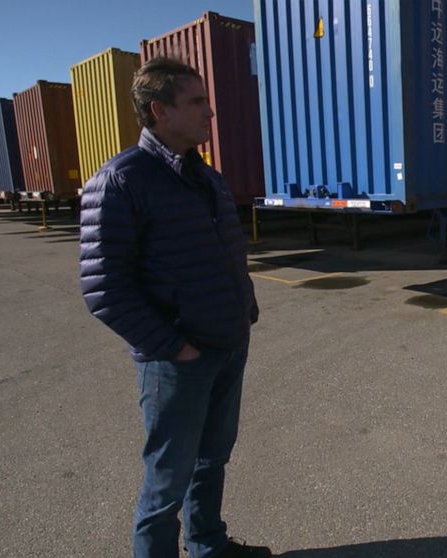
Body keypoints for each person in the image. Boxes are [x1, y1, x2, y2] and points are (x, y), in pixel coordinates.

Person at [79, 58, 269, 558]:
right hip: (177, 360)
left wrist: (243, 310)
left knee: (212, 459)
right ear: (159, 110)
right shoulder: (122, 180)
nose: (210, 112)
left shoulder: (203, 175)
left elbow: (224, 253)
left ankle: (208, 545)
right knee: (167, 481)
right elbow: (104, 289)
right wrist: (174, 347)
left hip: (227, 345)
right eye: (196, 102)